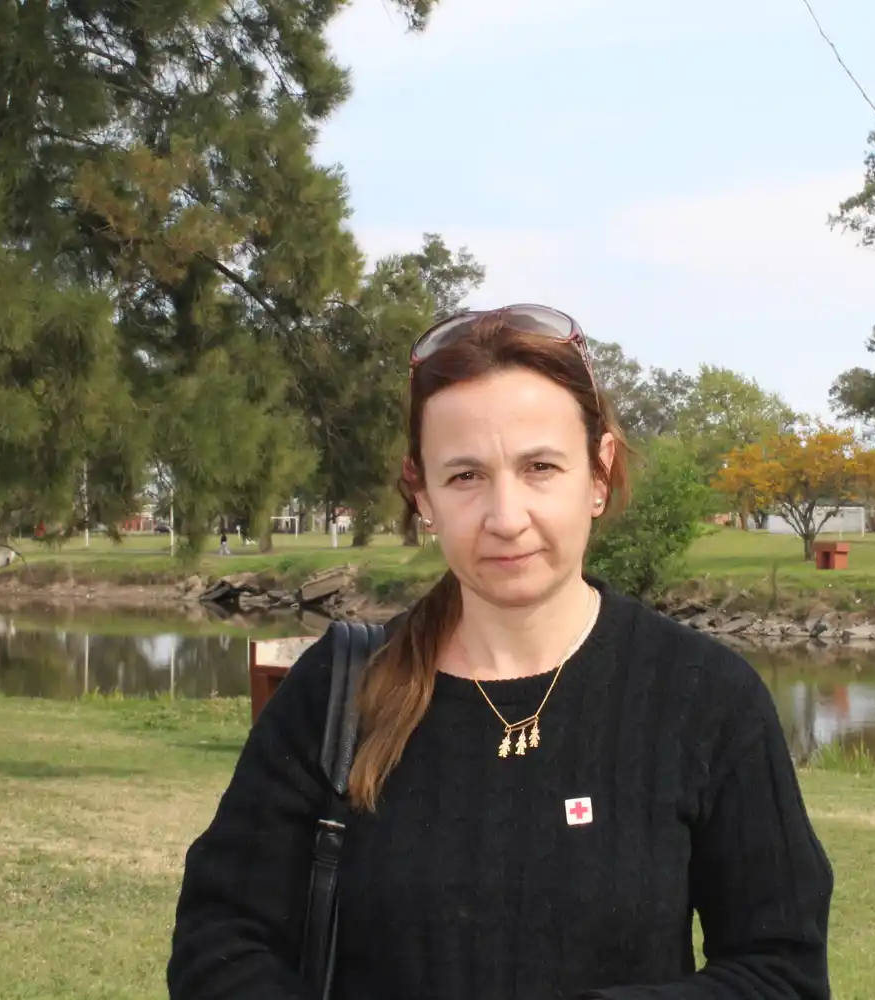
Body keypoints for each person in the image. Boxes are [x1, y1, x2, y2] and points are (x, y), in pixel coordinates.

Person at [168, 304, 833, 999]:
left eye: (540, 466)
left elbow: (780, 971)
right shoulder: (339, 690)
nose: (506, 517)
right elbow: (221, 941)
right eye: (464, 476)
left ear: (598, 475)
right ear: (419, 491)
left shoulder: (705, 697)